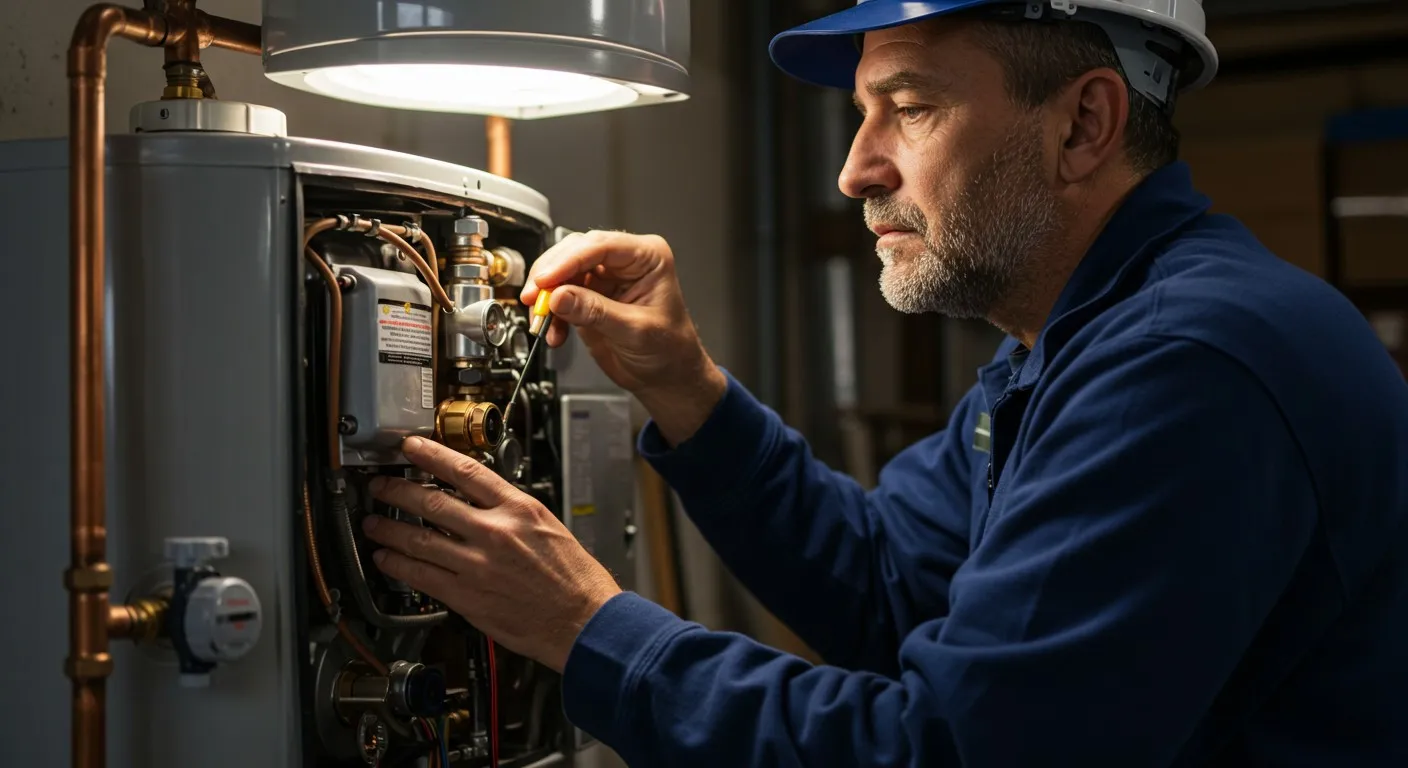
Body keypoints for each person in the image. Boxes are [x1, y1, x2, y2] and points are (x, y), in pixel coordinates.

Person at [359, 1, 1408, 765]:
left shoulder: (1186, 365)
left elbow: (948, 751)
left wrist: (589, 630)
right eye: (863, 113)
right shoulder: (1069, 341)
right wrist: (688, 390)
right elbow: (887, 582)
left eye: (908, 107)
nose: (855, 169)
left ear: (1084, 125)